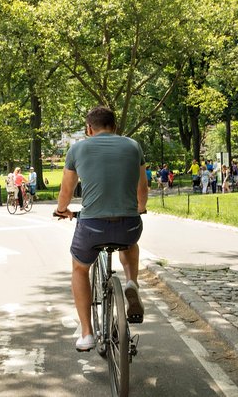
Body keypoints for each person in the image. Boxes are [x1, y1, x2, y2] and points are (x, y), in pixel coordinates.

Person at [54, 106, 148, 352]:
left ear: (88, 129)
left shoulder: (77, 149)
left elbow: (66, 190)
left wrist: (62, 209)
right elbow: (142, 189)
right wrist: (140, 207)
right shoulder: (133, 146)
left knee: (79, 268)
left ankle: (87, 334)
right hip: (128, 223)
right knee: (130, 242)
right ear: (115, 127)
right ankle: (131, 283)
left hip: (92, 226)